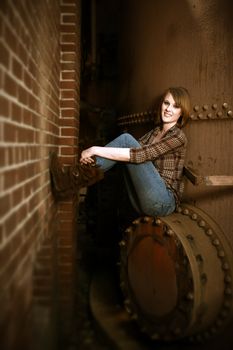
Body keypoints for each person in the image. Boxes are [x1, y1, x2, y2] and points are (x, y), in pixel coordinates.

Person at [50, 86, 191, 217]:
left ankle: (71, 178)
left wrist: (94, 149)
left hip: (163, 201)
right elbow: (128, 152)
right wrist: (97, 155)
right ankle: (73, 177)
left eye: (175, 106)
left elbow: (139, 154)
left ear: (182, 112)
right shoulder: (155, 132)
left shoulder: (178, 136)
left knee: (126, 140)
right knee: (125, 145)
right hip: (143, 197)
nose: (168, 109)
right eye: (166, 103)